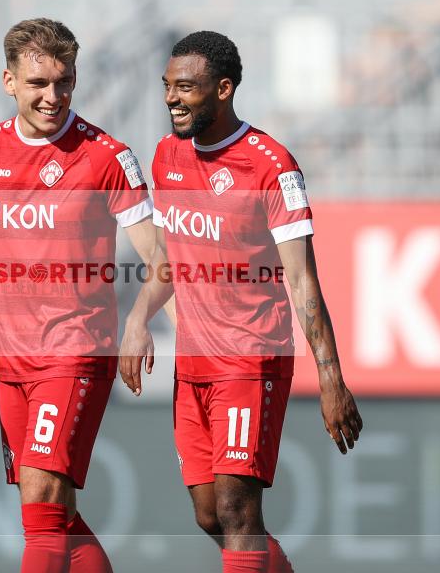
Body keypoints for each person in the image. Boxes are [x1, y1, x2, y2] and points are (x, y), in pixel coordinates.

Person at [0, 18, 159, 573]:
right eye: (40, 83)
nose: (53, 96)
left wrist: (138, 322)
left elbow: (162, 258)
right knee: (52, 515)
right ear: (10, 81)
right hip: (13, 359)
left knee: (43, 508)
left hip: (76, 352)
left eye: (65, 82)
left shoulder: (105, 157)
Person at [119, 31, 364, 573]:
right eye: (167, 87)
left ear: (224, 89)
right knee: (211, 516)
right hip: (193, 362)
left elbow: (303, 282)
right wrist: (138, 318)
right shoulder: (167, 156)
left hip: (251, 358)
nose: (171, 99)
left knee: (237, 511)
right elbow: (170, 258)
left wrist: (331, 378)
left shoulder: (271, 166)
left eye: (186, 87)